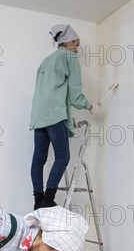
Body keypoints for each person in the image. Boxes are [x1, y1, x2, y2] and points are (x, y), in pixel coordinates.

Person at [30, 24, 100, 210]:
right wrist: (91, 106)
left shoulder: (46, 61)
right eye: (77, 44)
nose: (78, 48)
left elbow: (52, 92)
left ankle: (38, 200)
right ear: (69, 42)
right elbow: (75, 95)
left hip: (39, 115)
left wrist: (68, 118)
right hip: (55, 114)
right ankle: (48, 199)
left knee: (39, 159)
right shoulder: (70, 57)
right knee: (63, 156)